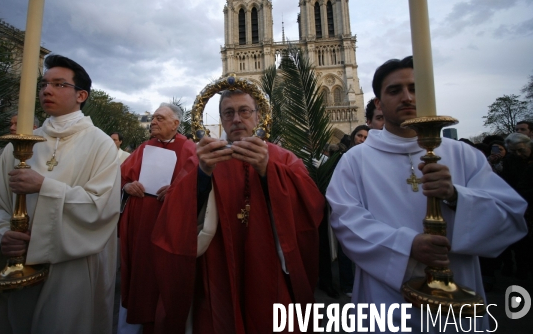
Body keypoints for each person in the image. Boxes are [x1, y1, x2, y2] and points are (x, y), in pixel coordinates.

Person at [326, 56, 528, 331]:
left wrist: (457, 196)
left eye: (415, 87)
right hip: (387, 302)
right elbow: (345, 222)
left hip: (457, 303)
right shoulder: (355, 160)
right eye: (395, 90)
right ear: (378, 103)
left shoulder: (462, 154)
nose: (407, 97)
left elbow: (511, 218)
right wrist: (407, 246)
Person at [0, 55, 121, 334]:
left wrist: (44, 187)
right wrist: (3, 234)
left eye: (59, 84)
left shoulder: (100, 145)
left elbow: (101, 208)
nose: (46, 90)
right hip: (17, 260)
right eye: (43, 84)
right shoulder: (23, 142)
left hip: (71, 266)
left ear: (81, 95)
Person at [150, 89, 324, 333]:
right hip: (217, 265)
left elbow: (311, 206)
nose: (237, 119)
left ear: (258, 115)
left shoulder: (282, 158)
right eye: (228, 113)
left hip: (268, 264)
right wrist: (202, 175)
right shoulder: (205, 159)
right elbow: (175, 213)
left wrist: (268, 171)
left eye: (244, 111)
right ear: (221, 119)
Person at [118, 103, 196, 333]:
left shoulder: (190, 149)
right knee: (142, 276)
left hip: (170, 227)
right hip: (140, 226)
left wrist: (176, 191)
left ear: (176, 123)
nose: (153, 122)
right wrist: (128, 186)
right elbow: (122, 178)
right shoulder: (144, 148)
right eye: (153, 118)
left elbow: (198, 186)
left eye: (160, 118)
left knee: (164, 279)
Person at [499, 133, 533, 280]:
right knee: (522, 244)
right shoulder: (510, 161)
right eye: (514, 152)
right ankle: (522, 270)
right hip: (520, 203)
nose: (518, 154)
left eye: (521, 150)